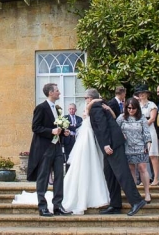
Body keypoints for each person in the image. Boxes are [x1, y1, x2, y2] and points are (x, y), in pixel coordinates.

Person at [86, 88, 145, 216]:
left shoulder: (96, 108)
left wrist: (106, 144)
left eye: (86, 99)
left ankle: (136, 201)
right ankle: (115, 204)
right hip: (110, 144)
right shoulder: (101, 105)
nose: (86, 101)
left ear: (90, 98)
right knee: (109, 174)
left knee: (122, 173)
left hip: (112, 144)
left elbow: (102, 127)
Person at [26, 83, 72, 217]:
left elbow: (56, 127)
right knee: (43, 178)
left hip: (57, 147)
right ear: (50, 93)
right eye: (57, 91)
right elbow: (36, 127)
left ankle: (58, 206)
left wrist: (63, 132)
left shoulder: (57, 109)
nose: (59, 93)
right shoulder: (41, 108)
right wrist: (51, 131)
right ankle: (42, 207)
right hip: (45, 149)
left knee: (59, 176)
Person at [60, 96, 110, 214]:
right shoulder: (88, 110)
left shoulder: (92, 111)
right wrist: (95, 100)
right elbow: (87, 110)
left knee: (93, 164)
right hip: (86, 140)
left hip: (91, 138)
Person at [116, 98, 152, 202]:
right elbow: (115, 129)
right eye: (129, 108)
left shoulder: (142, 118)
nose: (131, 110)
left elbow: (146, 132)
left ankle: (147, 193)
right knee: (131, 169)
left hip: (140, 145)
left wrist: (148, 143)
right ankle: (134, 194)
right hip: (127, 147)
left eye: (133, 108)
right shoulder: (121, 118)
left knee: (142, 168)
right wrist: (121, 134)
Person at [135, 85, 159, 185]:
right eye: (139, 94)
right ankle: (145, 178)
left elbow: (152, 118)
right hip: (139, 131)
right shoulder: (137, 105)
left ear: (146, 94)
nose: (141, 95)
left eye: (143, 93)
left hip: (149, 130)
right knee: (142, 155)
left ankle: (156, 178)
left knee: (153, 155)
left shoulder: (152, 105)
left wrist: (144, 125)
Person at [61, 102, 82, 167]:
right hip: (68, 140)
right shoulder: (65, 118)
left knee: (77, 156)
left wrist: (71, 126)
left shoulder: (79, 118)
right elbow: (65, 127)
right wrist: (75, 126)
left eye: (73, 109)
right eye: (70, 109)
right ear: (68, 110)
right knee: (68, 157)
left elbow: (80, 126)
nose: (71, 110)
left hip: (77, 140)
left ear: (76, 110)